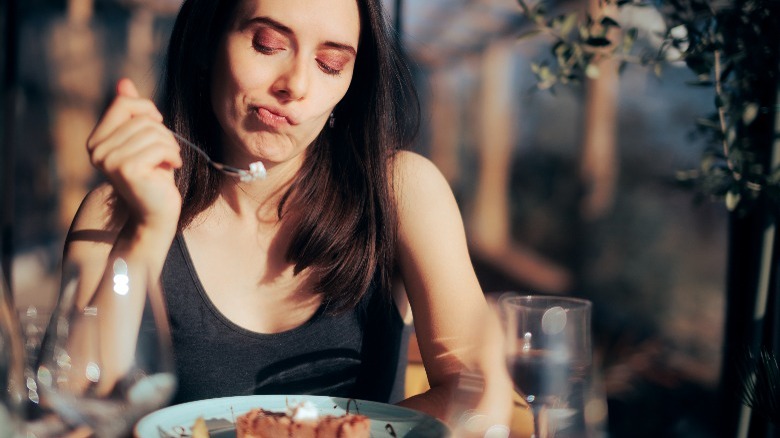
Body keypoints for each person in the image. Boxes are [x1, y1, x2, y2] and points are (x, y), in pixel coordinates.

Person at [63, 0, 513, 428]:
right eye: (267, 45)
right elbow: (75, 412)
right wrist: (147, 232)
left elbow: (477, 391)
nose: (295, 85)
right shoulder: (113, 213)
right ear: (206, 42)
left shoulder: (399, 190)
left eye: (330, 64)